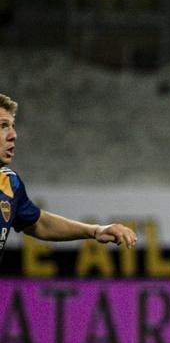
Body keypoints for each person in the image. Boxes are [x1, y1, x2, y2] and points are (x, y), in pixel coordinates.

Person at [0, 93, 137, 260]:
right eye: (3, 126)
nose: (13, 135)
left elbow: (39, 224)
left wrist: (96, 230)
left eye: (13, 126)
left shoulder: (9, 183)